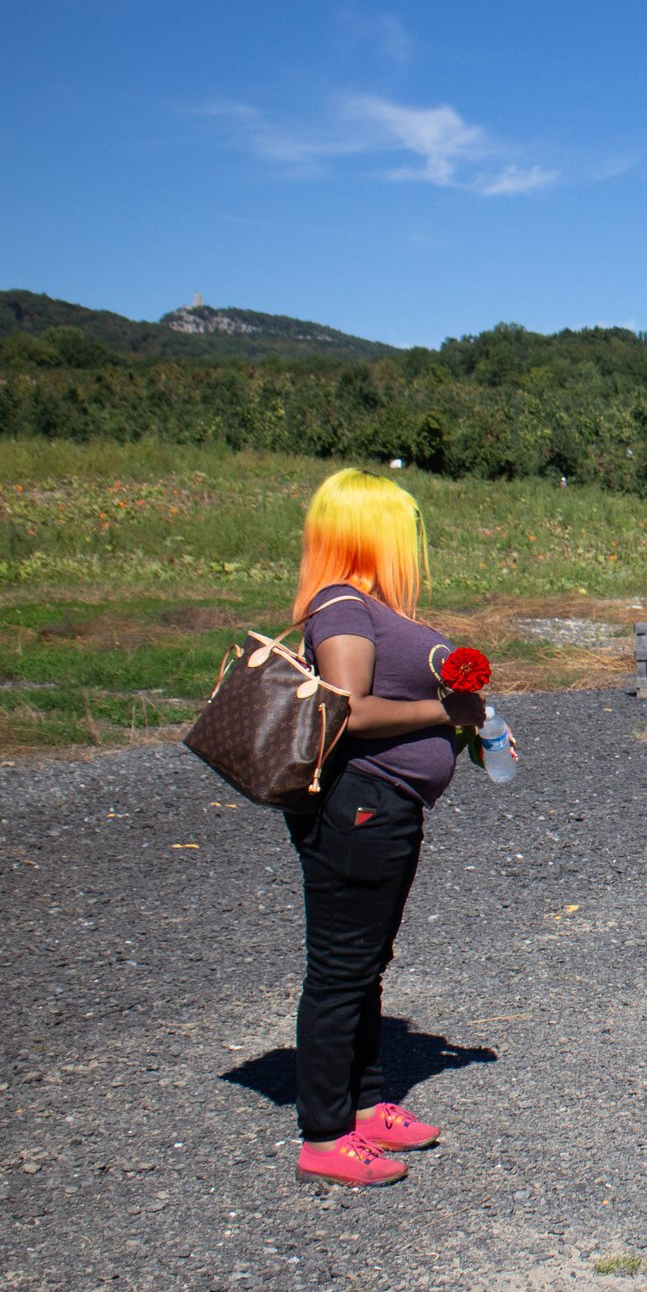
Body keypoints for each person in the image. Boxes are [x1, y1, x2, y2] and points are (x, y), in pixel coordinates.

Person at [284, 469, 501, 1189]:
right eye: (405, 529)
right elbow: (350, 710)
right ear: (373, 533)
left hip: (387, 804)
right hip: (360, 805)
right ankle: (324, 1132)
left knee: (367, 962)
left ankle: (368, 1100)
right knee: (341, 968)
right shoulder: (341, 606)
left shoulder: (368, 606)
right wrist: (450, 715)